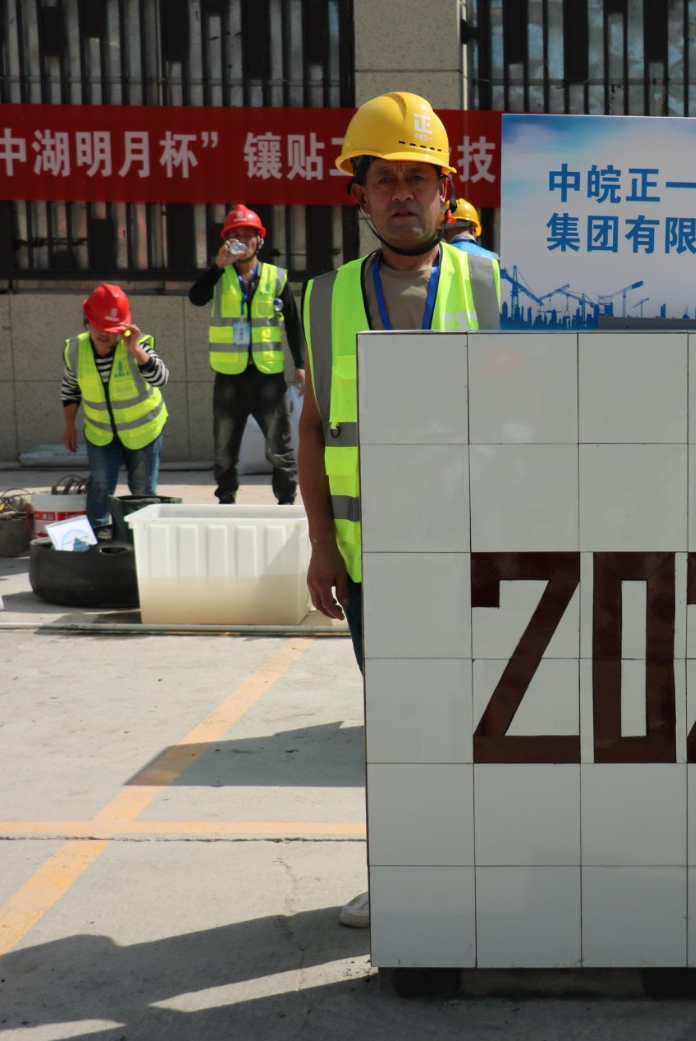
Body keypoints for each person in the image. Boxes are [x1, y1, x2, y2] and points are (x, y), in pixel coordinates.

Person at [298, 91, 501, 929]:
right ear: (360, 194)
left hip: (483, 560)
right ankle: (407, 881)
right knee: (400, 733)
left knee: (486, 727)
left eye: (419, 178)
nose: (403, 194)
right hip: (373, 565)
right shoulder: (321, 299)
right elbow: (314, 429)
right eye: (385, 179)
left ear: (447, 190)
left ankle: (489, 871)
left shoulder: (495, 285)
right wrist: (321, 546)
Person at [187, 205, 305, 505]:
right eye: (235, 235)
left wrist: (301, 364)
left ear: (259, 240)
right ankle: (226, 498)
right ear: (227, 241)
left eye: (248, 235)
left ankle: (286, 500)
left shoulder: (276, 277)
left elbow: (294, 322)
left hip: (267, 374)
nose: (243, 240)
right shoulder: (219, 275)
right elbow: (196, 297)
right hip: (229, 375)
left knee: (279, 444)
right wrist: (218, 265)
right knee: (224, 446)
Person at [60, 284, 170, 537]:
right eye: (98, 326)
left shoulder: (138, 346)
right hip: (101, 434)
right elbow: (70, 390)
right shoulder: (75, 350)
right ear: (88, 322)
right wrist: (69, 426)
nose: (104, 335)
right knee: (99, 486)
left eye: (111, 330)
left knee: (142, 490)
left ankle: (140, 539)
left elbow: (161, 378)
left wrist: (136, 350)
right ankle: (97, 537)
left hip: (144, 431)